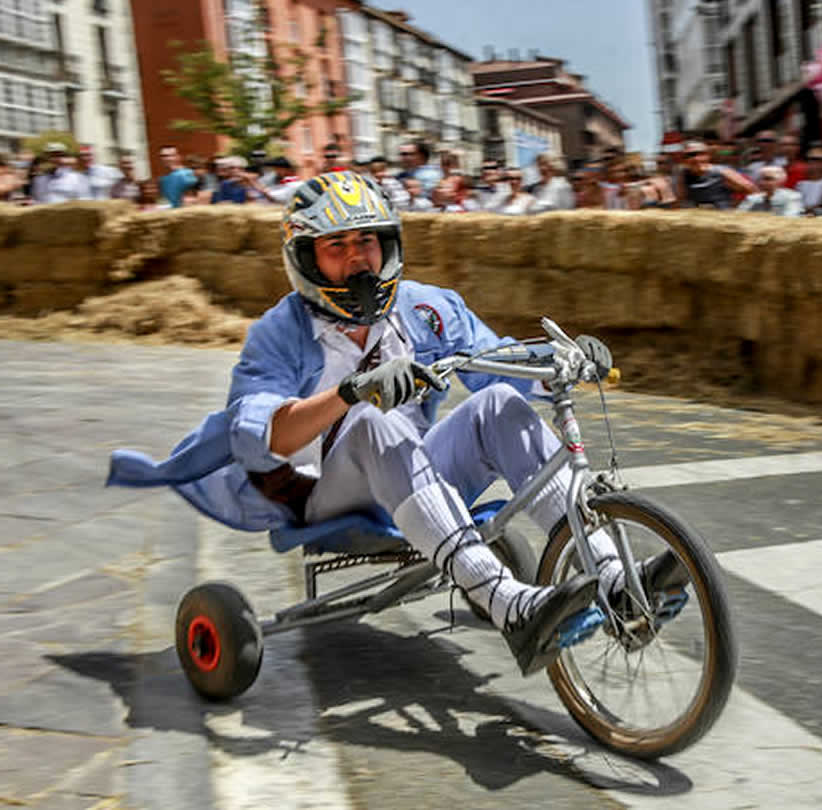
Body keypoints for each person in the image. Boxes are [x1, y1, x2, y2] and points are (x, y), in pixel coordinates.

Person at [106, 171, 684, 675]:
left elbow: (496, 364)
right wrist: (351, 393)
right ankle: (513, 607)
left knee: (500, 407)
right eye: (337, 246)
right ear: (307, 258)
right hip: (328, 495)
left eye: (368, 242)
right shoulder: (277, 333)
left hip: (421, 478)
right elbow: (259, 436)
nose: (358, 259)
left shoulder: (428, 308)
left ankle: (614, 581)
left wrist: (561, 362)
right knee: (369, 422)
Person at [680, 140, 756, 210]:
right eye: (690, 155)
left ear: (708, 155)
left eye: (701, 154)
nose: (695, 158)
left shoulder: (721, 172)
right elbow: (681, 199)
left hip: (723, 217)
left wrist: (740, 209)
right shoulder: (684, 174)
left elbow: (752, 190)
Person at [737, 166, 804, 216]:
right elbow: (739, 216)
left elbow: (790, 218)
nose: (762, 183)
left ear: (781, 181)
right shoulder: (752, 199)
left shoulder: (792, 197)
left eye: (768, 179)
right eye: (760, 179)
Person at [158, 144, 198, 208]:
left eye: (170, 156)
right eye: (163, 156)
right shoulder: (163, 179)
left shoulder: (187, 174)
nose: (166, 158)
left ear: (178, 157)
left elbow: (193, 199)